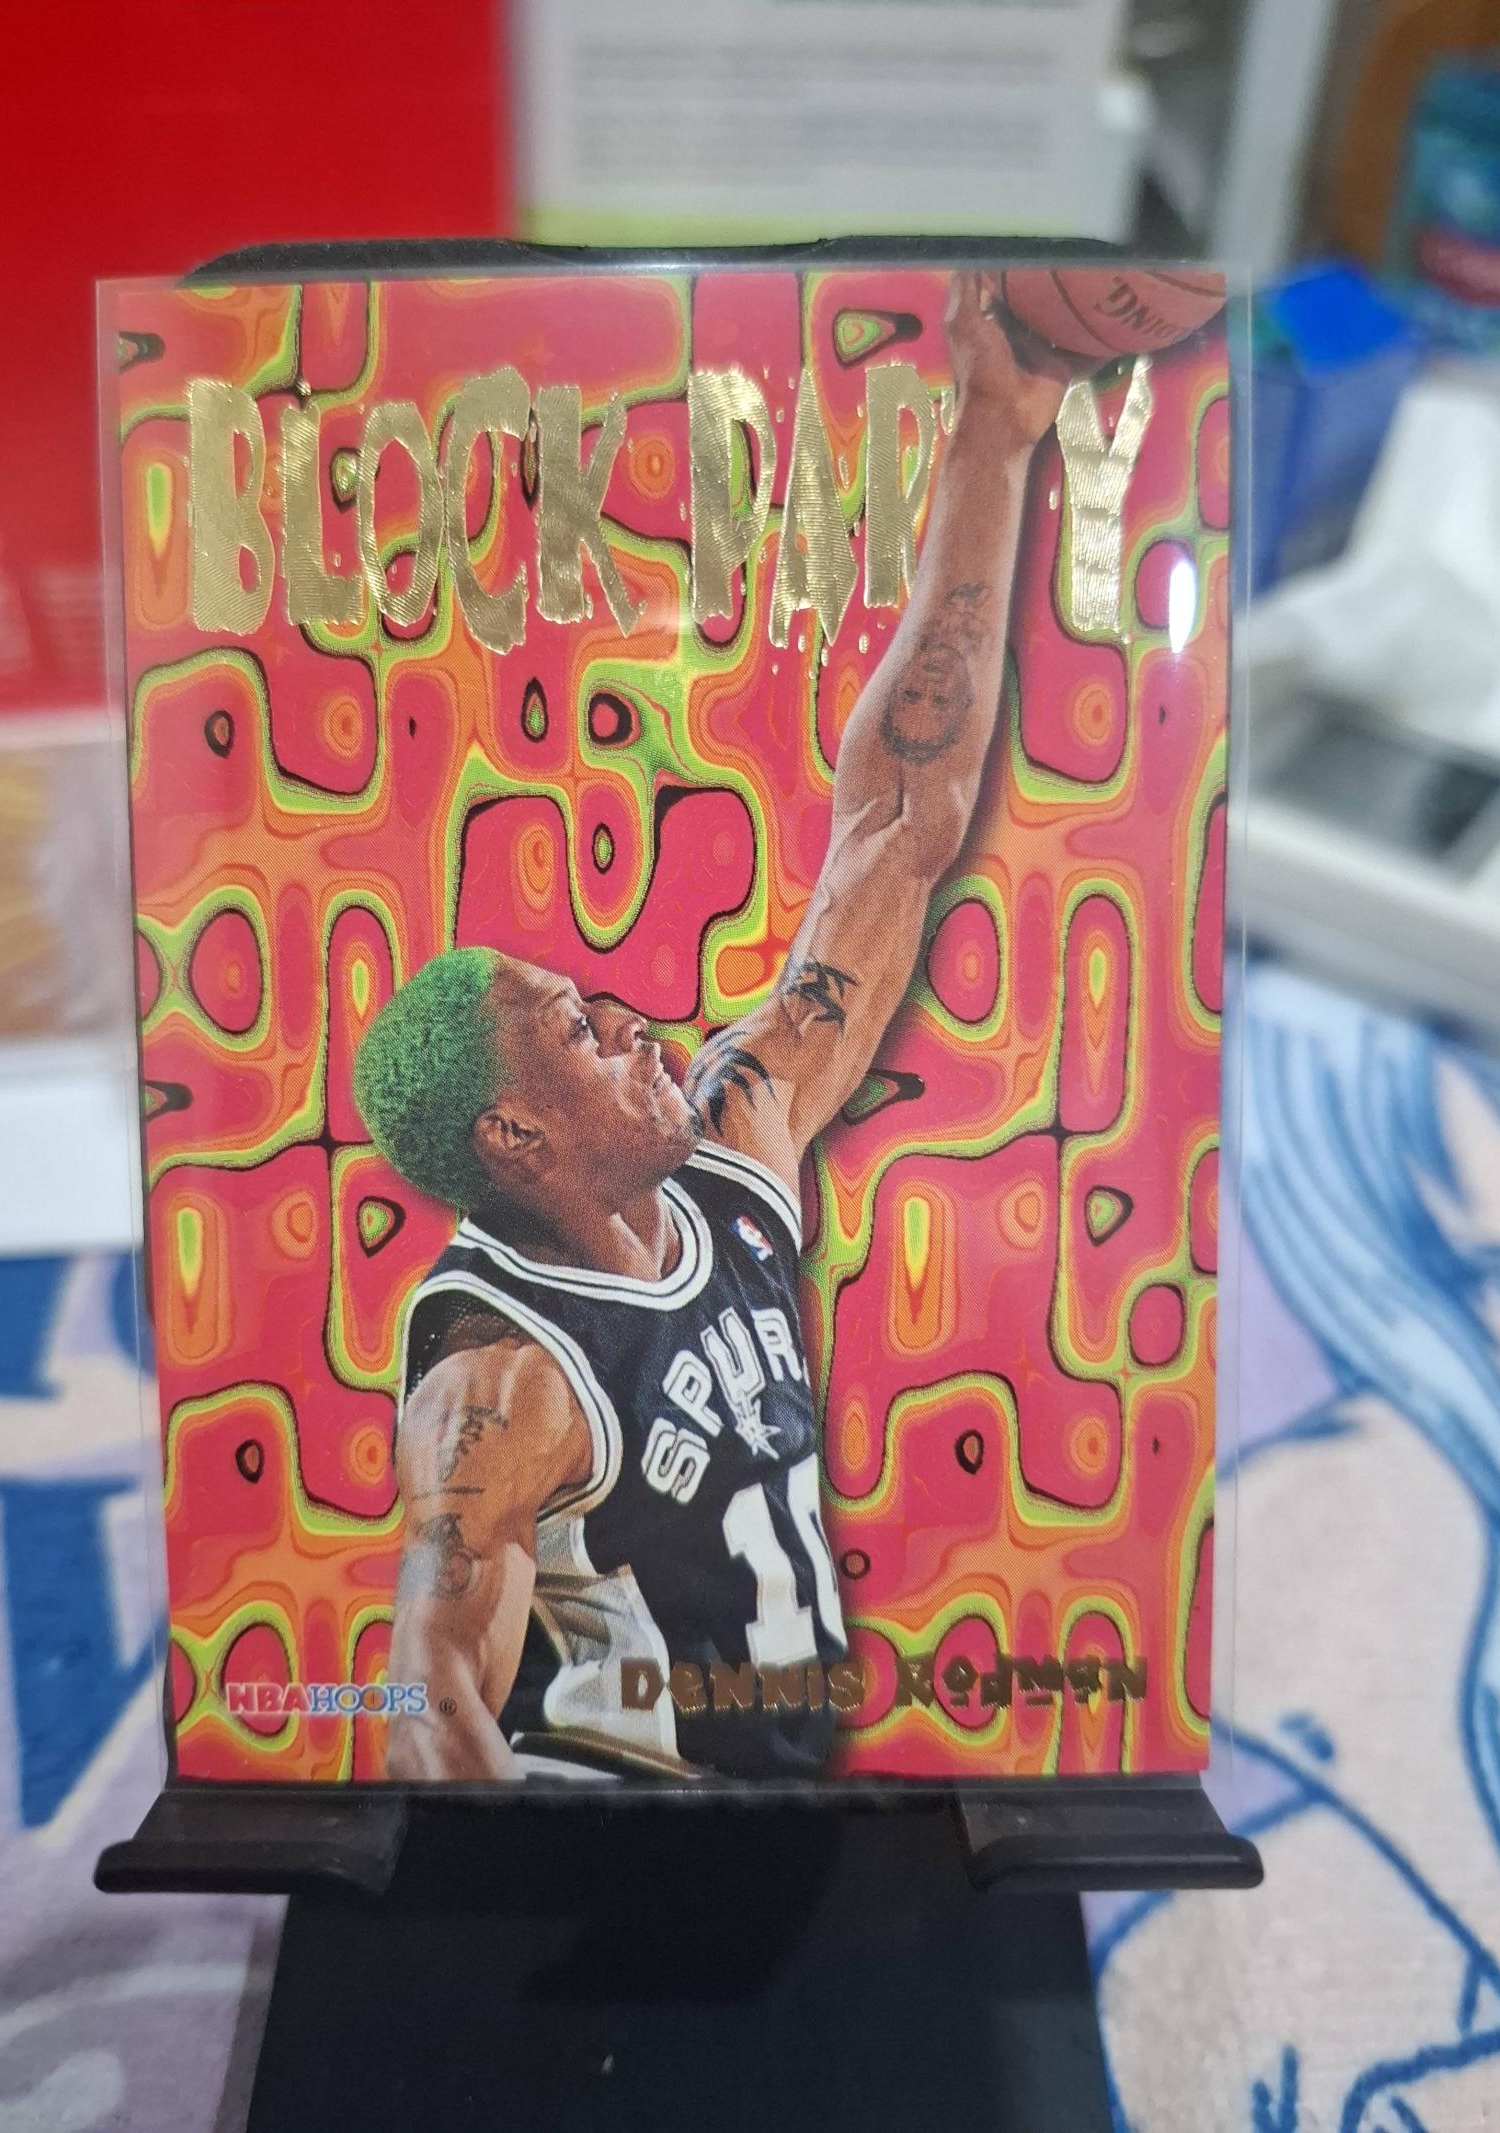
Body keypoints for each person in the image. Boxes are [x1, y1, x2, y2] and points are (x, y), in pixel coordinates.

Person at [355, 273, 1070, 1780]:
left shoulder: (737, 1137)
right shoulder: (506, 1374)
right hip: (629, 1821)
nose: (633, 1017)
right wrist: (505, 1895)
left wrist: (998, 435)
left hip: (790, 1796)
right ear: (515, 1129)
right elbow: (429, 1691)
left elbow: (898, 820)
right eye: (579, 1025)